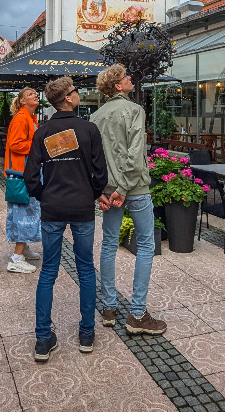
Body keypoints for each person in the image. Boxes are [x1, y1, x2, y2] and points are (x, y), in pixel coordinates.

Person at [24, 77, 109, 362]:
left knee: (48, 271)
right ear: (69, 98)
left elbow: (30, 177)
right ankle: (86, 334)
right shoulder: (89, 129)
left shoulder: (43, 131)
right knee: (86, 269)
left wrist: (43, 195)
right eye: (75, 91)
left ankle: (43, 339)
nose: (78, 94)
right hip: (83, 207)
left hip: (53, 208)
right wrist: (93, 193)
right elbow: (100, 173)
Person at [90, 64, 167, 336]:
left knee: (109, 244)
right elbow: (135, 154)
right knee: (146, 243)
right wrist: (122, 188)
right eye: (125, 77)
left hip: (108, 190)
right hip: (132, 188)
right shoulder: (134, 111)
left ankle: (109, 308)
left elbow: (92, 160)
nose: (130, 78)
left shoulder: (96, 116)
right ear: (117, 86)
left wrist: (102, 190)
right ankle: (137, 314)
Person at [4, 87, 42, 273]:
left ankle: (23, 248)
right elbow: (16, 144)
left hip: (23, 172)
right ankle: (16, 258)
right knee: (24, 214)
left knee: (25, 212)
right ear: (21, 101)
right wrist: (38, 145)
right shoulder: (21, 118)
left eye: (35, 93)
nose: (34, 95)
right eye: (30, 94)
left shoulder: (29, 117)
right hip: (22, 174)